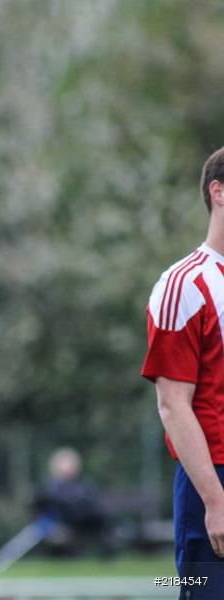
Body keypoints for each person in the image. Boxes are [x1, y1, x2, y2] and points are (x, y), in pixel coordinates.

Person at [142, 146, 224, 599]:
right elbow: (173, 405)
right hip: (213, 479)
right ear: (218, 192)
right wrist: (215, 501)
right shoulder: (184, 285)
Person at [31, 447, 114, 556]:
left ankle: (108, 549)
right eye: (64, 464)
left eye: (70, 464)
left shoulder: (84, 484)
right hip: (63, 522)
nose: (68, 468)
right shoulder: (49, 487)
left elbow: (93, 502)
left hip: (86, 521)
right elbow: (40, 510)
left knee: (102, 518)